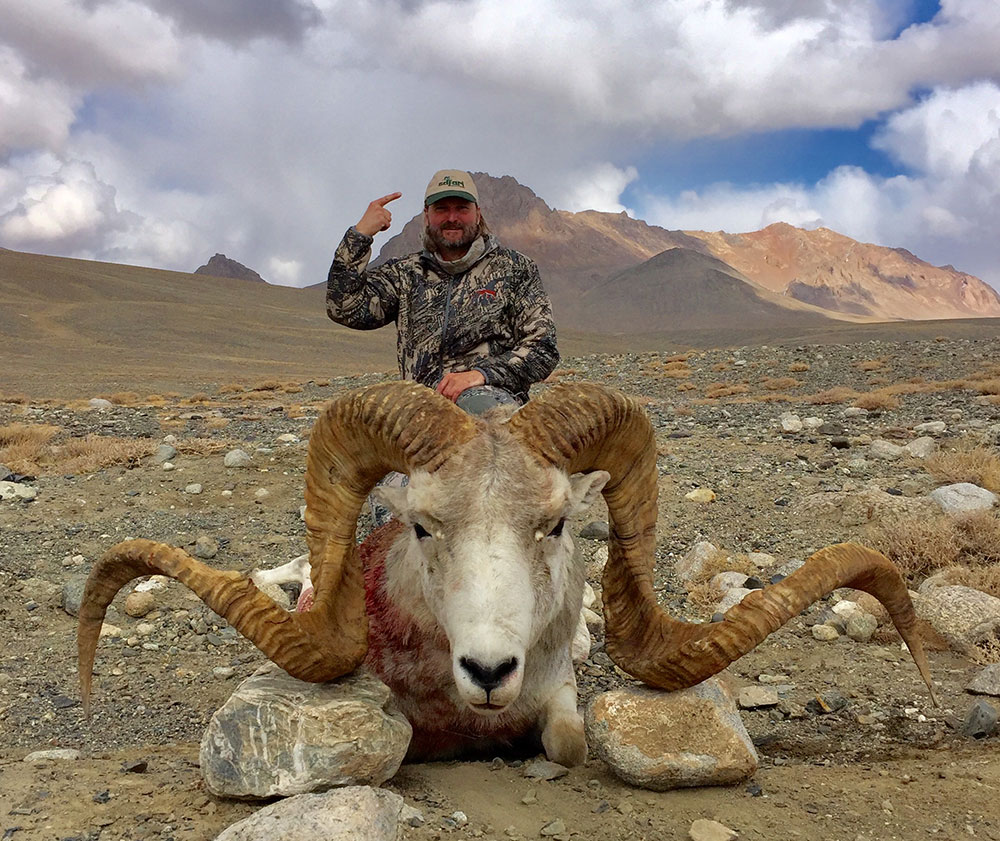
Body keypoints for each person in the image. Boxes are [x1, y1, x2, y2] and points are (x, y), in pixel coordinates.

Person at [326, 169, 558, 406]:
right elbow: (345, 308)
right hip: (421, 411)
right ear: (427, 215)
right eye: (442, 209)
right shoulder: (405, 273)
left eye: (461, 208)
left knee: (478, 405)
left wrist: (481, 375)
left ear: (478, 214)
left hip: (491, 412)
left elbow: (542, 349)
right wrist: (360, 235)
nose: (452, 217)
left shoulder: (515, 268)